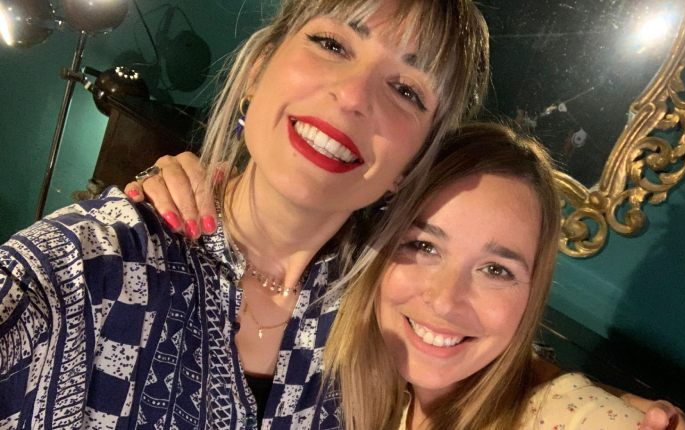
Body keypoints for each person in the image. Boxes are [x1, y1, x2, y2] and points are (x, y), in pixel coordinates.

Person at [0, 0, 490, 428]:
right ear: (257, 69)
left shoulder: (390, 327)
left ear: (412, 164)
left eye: (406, 90)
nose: (354, 96)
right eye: (332, 44)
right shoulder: (83, 266)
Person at [321, 122, 646, 429]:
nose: (446, 302)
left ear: (532, 294)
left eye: (495, 270)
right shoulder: (342, 373)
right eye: (424, 246)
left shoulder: (577, 418)